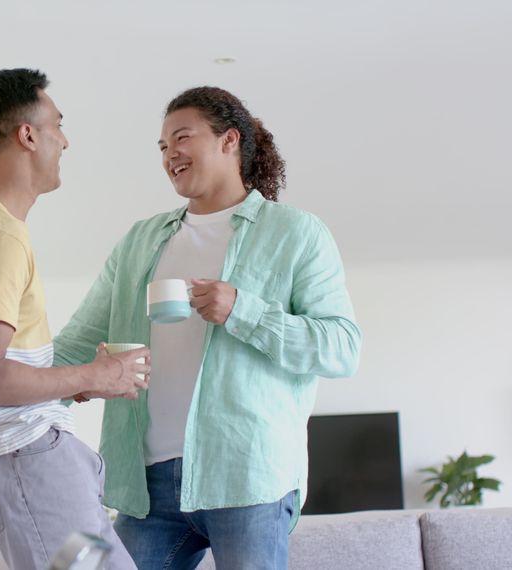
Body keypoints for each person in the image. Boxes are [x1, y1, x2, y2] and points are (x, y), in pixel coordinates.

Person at [54, 86, 362, 570]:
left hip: (247, 478)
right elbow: (74, 343)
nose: (169, 154)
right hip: (146, 486)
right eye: (161, 146)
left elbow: (342, 348)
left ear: (229, 140)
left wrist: (244, 311)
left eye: (181, 137)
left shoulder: (295, 233)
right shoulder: (139, 241)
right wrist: (10, 380)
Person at [0, 68, 149, 570]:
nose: (65, 141)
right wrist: (95, 375)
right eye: (58, 125)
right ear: (27, 135)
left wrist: (73, 385)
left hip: (43, 466)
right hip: (32, 466)